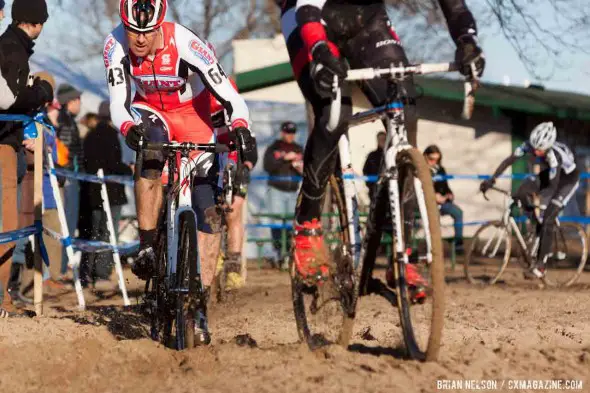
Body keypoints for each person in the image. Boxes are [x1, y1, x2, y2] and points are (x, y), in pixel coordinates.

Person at [278, 0, 485, 295]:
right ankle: (307, 224)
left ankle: (403, 251)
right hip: (308, 17)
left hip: (367, 18)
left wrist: (467, 41)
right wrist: (319, 49)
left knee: (404, 104)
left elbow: (453, 5)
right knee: (334, 110)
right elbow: (307, 6)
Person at [104, 0, 254, 313]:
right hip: (151, 111)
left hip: (193, 119)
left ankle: (200, 304)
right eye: (134, 32)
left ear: (161, 24)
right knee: (152, 146)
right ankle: (146, 247)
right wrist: (128, 126)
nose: (141, 39)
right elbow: (117, 102)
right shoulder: (114, 44)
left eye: (148, 31)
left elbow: (231, 96)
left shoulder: (187, 44)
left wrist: (241, 127)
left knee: (208, 211)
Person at [0, 0, 52, 317]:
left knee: (10, 223)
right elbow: (13, 99)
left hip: (10, 141)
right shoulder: (12, 48)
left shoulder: (13, 47)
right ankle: (2, 298)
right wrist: (43, 89)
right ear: (34, 22)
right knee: (6, 224)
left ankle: (6, 293)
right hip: (3, 143)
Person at [480, 122, 579, 278]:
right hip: (551, 175)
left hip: (567, 180)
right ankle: (536, 225)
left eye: (539, 150)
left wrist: (543, 204)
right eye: (534, 148)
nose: (535, 152)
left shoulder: (554, 156)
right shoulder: (530, 146)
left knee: (547, 219)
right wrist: (492, 180)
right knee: (521, 192)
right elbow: (508, 161)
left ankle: (541, 266)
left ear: (548, 146)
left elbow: (553, 186)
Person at [210, 74, 258, 291]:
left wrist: (247, 168)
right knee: (212, 211)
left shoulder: (239, 111)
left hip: (236, 162)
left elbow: (251, 147)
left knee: (232, 213)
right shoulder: (202, 105)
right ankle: (213, 255)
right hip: (214, 159)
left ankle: (233, 265)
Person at [79, 101, 133, 287]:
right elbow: (113, 164)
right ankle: (102, 273)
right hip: (111, 191)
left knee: (94, 232)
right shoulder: (111, 136)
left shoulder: (90, 136)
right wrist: (129, 170)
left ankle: (87, 272)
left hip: (93, 193)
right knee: (108, 232)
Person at [263, 121, 304, 266]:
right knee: (277, 223)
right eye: (288, 132)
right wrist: (283, 158)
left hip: (293, 191)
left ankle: (288, 254)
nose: (290, 135)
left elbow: (306, 171)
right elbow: (267, 166)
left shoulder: (299, 149)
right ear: (282, 132)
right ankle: (278, 253)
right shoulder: (274, 147)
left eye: (292, 132)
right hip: (276, 190)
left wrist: (299, 167)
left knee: (290, 224)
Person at [55, 83, 84, 277]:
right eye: (78, 100)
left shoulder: (68, 120)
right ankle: (62, 266)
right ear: (70, 102)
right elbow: (63, 153)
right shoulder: (66, 122)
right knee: (68, 222)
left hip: (71, 175)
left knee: (69, 223)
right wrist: (66, 175)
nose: (81, 103)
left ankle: (64, 265)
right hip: (69, 178)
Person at [424, 145, 464, 253]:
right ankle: (433, 248)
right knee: (434, 218)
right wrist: (433, 196)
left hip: (443, 202)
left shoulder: (440, 170)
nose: (434, 162)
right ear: (425, 157)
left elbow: (445, 186)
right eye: (432, 159)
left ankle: (458, 243)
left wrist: (449, 194)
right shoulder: (421, 171)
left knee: (458, 212)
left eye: (437, 160)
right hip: (427, 204)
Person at [363, 131, 386, 201]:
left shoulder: (390, 155)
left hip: (387, 189)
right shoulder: (372, 156)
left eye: (383, 139)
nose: (382, 141)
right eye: (380, 139)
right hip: (374, 189)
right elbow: (365, 171)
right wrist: (370, 185)